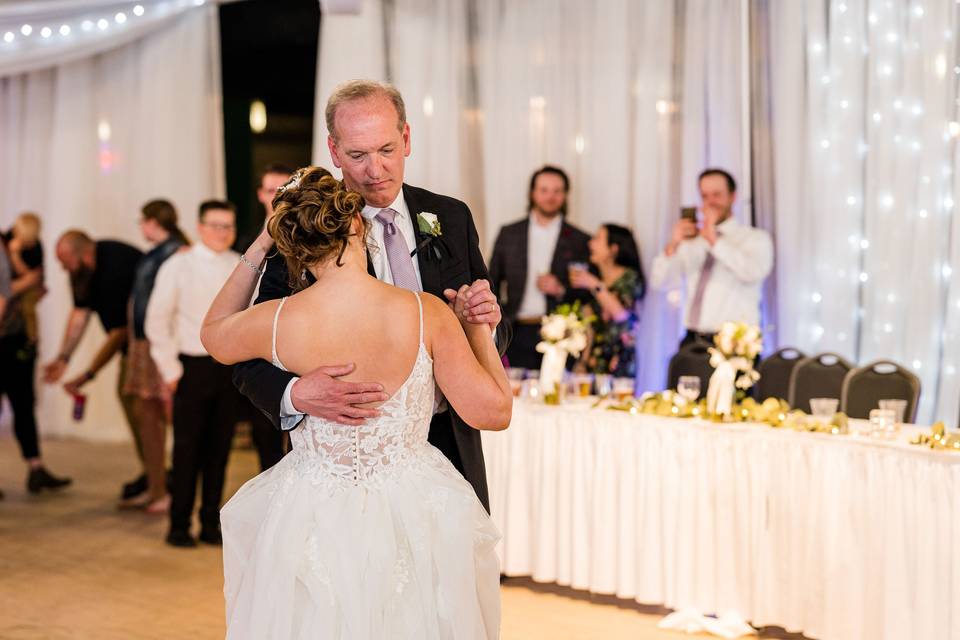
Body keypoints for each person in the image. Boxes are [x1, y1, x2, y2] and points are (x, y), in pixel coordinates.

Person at [204, 170, 509, 638]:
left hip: (310, 511)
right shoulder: (427, 311)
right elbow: (495, 412)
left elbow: (213, 334)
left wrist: (261, 243)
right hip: (416, 506)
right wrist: (475, 330)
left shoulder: (277, 319)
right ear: (357, 227)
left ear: (293, 246)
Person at [231, 80, 505, 513]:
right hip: (354, 457)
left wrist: (485, 322)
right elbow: (246, 356)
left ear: (407, 138)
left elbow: (487, 329)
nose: (375, 170)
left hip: (450, 441)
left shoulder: (451, 216)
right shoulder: (309, 229)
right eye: (357, 156)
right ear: (334, 151)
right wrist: (295, 394)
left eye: (386, 150)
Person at [145, 200, 243, 547]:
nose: (222, 232)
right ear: (201, 227)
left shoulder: (240, 264)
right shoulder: (179, 265)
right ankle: (179, 524)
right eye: (215, 225)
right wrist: (170, 370)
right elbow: (157, 319)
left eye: (228, 226)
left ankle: (209, 522)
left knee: (220, 450)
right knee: (187, 450)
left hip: (228, 370)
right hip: (191, 367)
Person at [43, 231, 145, 502]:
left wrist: (86, 375)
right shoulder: (83, 272)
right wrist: (63, 358)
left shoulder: (114, 270)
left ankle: (159, 477)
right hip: (131, 344)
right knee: (130, 401)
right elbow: (79, 314)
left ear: (83, 255)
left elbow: (119, 333)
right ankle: (154, 472)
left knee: (139, 406)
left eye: (65, 261)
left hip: (145, 346)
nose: (63, 267)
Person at [650, 168, 773, 347]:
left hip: (736, 342)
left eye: (717, 195)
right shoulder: (692, 241)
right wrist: (673, 244)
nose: (710, 202)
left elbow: (752, 272)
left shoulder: (754, 239)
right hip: (693, 340)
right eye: (705, 196)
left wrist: (714, 241)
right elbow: (661, 282)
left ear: (733, 197)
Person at [120, 200, 189, 512]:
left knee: (159, 415)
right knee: (147, 413)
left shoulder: (176, 253)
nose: (141, 227)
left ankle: (165, 489)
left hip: (158, 344)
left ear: (152, 221)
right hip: (143, 342)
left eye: (143, 221)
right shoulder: (159, 252)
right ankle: (156, 484)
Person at [488, 165, 591, 369]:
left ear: (565, 195)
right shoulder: (509, 234)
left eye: (557, 191)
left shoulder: (580, 239)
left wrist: (561, 290)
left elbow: (587, 296)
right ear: (532, 193)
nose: (550, 197)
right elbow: (491, 281)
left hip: (563, 335)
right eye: (544, 190)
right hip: (514, 331)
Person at [0, 214, 72, 496]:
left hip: (17, 339)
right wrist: (27, 281)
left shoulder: (22, 247)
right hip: (11, 336)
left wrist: (28, 280)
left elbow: (35, 281)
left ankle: (36, 467)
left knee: (23, 404)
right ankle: (36, 468)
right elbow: (15, 288)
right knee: (22, 404)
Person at [570, 223, 646, 377]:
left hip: (619, 360)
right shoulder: (594, 278)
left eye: (597, 239)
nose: (590, 244)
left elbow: (621, 315)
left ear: (613, 248)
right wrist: (583, 362)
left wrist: (594, 284)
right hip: (593, 360)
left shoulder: (629, 278)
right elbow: (590, 327)